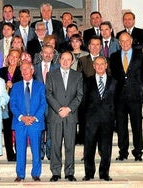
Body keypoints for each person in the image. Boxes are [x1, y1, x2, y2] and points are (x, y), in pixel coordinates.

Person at [110, 32, 143, 162]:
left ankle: (138, 152)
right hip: (119, 97)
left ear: (131, 41)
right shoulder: (114, 57)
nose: (125, 43)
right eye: (122, 41)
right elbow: (113, 76)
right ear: (119, 43)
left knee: (136, 125)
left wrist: (135, 86)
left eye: (127, 40)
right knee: (121, 126)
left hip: (135, 96)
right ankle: (123, 152)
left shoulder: (141, 56)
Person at [46, 51, 83, 182]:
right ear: (59, 60)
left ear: (72, 61)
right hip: (56, 116)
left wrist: (69, 109)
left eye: (68, 59)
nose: (65, 62)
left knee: (70, 146)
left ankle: (69, 172)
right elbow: (48, 94)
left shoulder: (77, 75)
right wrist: (58, 109)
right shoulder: (51, 75)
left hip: (71, 116)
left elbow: (79, 95)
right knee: (55, 145)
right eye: (63, 59)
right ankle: (55, 172)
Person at [10, 61, 46, 182]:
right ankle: (20, 174)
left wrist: (34, 117)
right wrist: (22, 117)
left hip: (35, 122)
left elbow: (43, 104)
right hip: (20, 123)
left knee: (36, 149)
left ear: (32, 71)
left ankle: (36, 173)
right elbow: (13, 105)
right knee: (20, 150)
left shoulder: (40, 85)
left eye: (27, 69)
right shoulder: (16, 86)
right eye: (22, 69)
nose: (25, 71)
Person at [82, 56, 116, 181]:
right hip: (91, 120)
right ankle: (89, 173)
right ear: (94, 66)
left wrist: (115, 120)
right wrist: (83, 121)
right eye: (97, 64)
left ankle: (104, 173)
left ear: (106, 65)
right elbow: (83, 102)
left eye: (102, 64)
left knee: (106, 148)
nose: (100, 66)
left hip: (108, 119)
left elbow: (117, 102)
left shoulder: (114, 82)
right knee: (89, 148)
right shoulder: (87, 81)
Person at [33, 44, 60, 161]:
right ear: (41, 54)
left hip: (52, 105)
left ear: (53, 55)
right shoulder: (34, 68)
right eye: (46, 52)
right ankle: (39, 153)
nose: (48, 55)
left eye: (50, 53)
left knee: (51, 130)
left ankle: (50, 152)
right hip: (37, 105)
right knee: (39, 129)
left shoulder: (58, 68)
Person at [0, 48, 23, 162]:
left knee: (18, 130)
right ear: (8, 57)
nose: (13, 59)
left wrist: (13, 85)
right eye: (11, 56)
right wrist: (4, 84)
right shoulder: (2, 70)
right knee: (7, 130)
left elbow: (23, 87)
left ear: (19, 60)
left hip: (18, 105)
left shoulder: (21, 70)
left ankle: (19, 153)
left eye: (16, 57)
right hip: (5, 105)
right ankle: (10, 154)